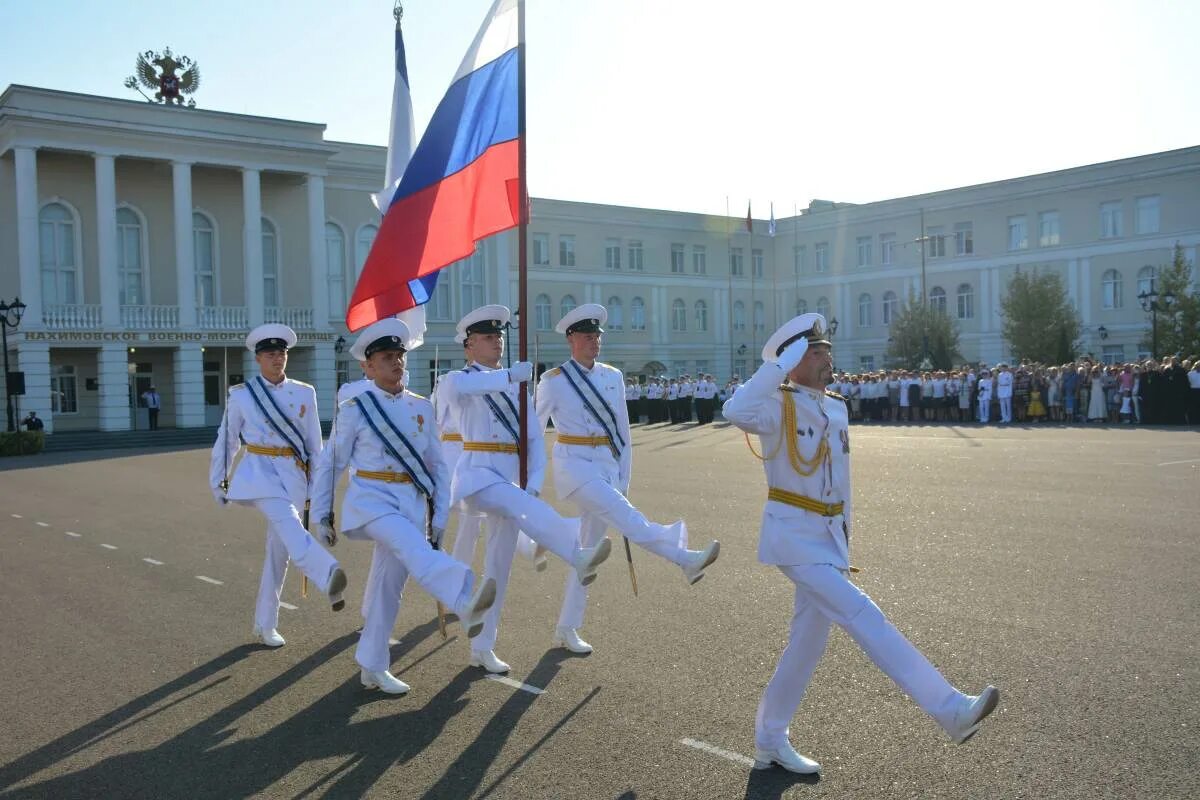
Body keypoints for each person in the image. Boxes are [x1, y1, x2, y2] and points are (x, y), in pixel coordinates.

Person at [722, 312, 999, 774]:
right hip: (792, 538)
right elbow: (734, 410)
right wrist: (776, 367)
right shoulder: (776, 405)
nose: (828, 357)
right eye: (815, 351)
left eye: (827, 349)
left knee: (805, 647)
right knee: (863, 613)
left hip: (829, 540)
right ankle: (949, 708)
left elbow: (842, 485)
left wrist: (844, 545)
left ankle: (770, 739)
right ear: (792, 359)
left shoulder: (835, 407)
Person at [311, 319, 498, 695]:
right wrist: (321, 513)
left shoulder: (419, 407)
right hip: (372, 503)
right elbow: (332, 463)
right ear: (367, 366)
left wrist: (439, 519)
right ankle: (463, 599)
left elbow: (437, 468)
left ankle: (372, 666)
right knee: (412, 550)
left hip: (410, 505)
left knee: (387, 587)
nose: (396, 363)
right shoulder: (356, 408)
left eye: (399, 356)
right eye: (386, 357)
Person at [438, 304, 612, 674]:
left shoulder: (515, 385)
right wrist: (507, 379)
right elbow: (468, 386)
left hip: (512, 483)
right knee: (511, 509)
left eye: (499, 336)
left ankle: (482, 647)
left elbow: (533, 439)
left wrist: (532, 485)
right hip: (477, 477)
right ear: (469, 346)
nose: (497, 342)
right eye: (488, 337)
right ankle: (575, 549)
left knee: (498, 570)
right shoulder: (456, 380)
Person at [536, 304, 720, 653]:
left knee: (587, 553)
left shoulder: (611, 376)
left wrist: (624, 477)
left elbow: (623, 431)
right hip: (574, 467)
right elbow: (534, 429)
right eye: (588, 336)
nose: (595, 341)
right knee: (628, 519)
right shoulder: (554, 381)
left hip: (605, 467)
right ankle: (683, 557)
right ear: (572, 339)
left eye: (597, 336)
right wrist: (529, 480)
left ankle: (567, 626)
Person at [209, 323, 347, 648]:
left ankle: (265, 623)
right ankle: (326, 573)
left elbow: (316, 447)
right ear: (257, 359)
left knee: (279, 550)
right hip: (259, 472)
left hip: (294, 473)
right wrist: (218, 480)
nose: (278, 358)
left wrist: (319, 492)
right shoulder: (242, 395)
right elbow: (226, 441)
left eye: (282, 352)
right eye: (271, 353)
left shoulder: (304, 392)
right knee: (288, 523)